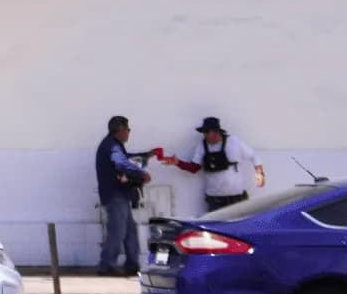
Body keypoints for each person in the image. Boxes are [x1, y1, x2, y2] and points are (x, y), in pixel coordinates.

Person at [161, 116, 264, 211]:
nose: (208, 136)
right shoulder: (202, 146)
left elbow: (253, 155)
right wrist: (177, 162)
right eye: (206, 133)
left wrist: (259, 173)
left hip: (236, 197)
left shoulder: (233, 142)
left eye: (211, 132)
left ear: (217, 131)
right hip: (215, 199)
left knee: (239, 227)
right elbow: (194, 168)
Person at [94, 115, 150, 276]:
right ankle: (106, 265)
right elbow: (121, 162)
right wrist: (141, 173)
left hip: (120, 195)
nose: (129, 132)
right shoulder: (112, 146)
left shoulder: (113, 145)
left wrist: (146, 155)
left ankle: (132, 264)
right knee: (117, 231)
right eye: (128, 129)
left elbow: (125, 158)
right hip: (115, 195)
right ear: (120, 130)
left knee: (130, 231)